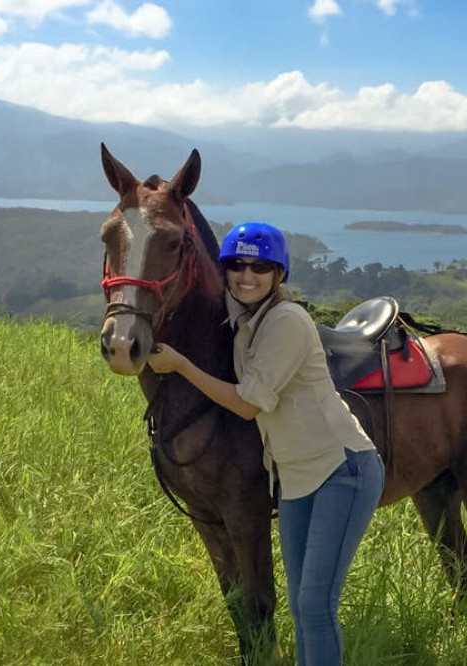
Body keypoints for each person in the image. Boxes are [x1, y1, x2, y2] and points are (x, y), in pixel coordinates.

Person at [148, 221, 385, 666]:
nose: (246, 276)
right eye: (237, 265)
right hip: (294, 478)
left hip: (342, 469)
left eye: (260, 267)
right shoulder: (245, 319)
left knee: (315, 606)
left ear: (279, 274)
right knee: (299, 604)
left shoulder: (285, 321)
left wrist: (180, 366)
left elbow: (247, 404)